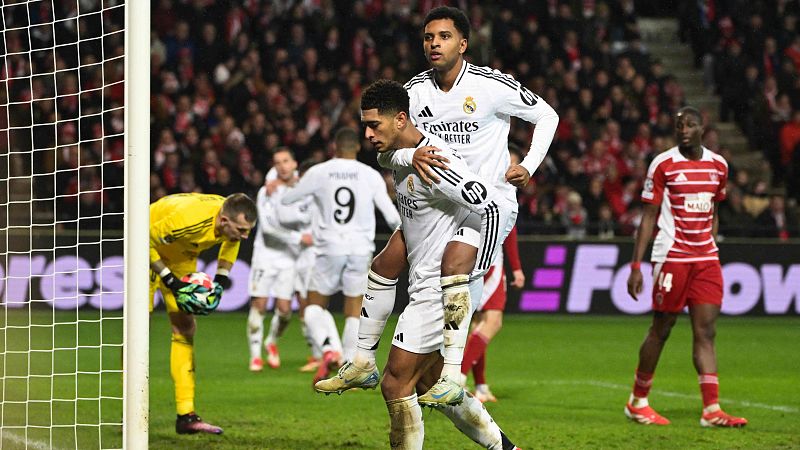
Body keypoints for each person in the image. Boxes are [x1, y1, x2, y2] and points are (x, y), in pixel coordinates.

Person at [315, 5, 557, 407]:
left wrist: (529, 166)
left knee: (455, 267)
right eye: (428, 37)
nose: (434, 44)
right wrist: (411, 158)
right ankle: (361, 360)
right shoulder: (414, 92)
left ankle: (451, 374)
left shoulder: (491, 86)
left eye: (444, 37)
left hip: (487, 202)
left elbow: (548, 115)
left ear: (462, 44)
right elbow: (386, 153)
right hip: (439, 202)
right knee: (386, 261)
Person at [354, 78, 521, 448]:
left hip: (438, 289)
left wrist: (475, 269)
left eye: (373, 125)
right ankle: (505, 448)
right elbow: (387, 156)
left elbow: (490, 206)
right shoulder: (404, 155)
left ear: (400, 119)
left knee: (396, 382)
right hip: (424, 282)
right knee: (425, 382)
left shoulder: (438, 161)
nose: (366, 133)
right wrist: (406, 155)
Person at [625, 106, 747, 428]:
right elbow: (648, 216)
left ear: (702, 128)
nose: (683, 129)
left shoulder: (719, 165)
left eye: (690, 124)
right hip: (672, 256)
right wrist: (637, 265)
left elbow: (714, 210)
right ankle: (637, 401)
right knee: (662, 328)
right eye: (679, 125)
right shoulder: (663, 164)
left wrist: (711, 244)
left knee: (706, 332)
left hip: (706, 259)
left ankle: (711, 410)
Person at [281, 127, 402, 384]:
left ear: (334, 148)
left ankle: (327, 349)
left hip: (328, 247)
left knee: (314, 304)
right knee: (354, 308)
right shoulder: (369, 175)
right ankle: (350, 364)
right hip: (360, 249)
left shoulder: (319, 172)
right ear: (357, 148)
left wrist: (290, 187)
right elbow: (391, 216)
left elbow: (289, 199)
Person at [150, 192, 257, 435]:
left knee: (185, 329)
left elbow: (231, 244)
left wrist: (220, 281)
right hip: (147, 248)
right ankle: (132, 407)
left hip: (181, 256)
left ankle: (186, 415)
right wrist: (171, 281)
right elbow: (140, 239)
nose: (245, 235)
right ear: (223, 221)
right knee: (137, 330)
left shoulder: (230, 218)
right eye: (241, 229)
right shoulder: (188, 219)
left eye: (248, 230)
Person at [246, 148, 313, 371]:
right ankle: (255, 356)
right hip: (265, 254)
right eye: (277, 163)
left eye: (286, 161)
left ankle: (271, 342)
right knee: (260, 305)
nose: (282, 165)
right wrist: (298, 237)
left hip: (289, 257)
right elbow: (267, 229)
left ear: (294, 164)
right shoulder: (266, 192)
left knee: (285, 311)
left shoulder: (302, 190)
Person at [460, 225, 524, 403]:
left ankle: (481, 387)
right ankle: (458, 377)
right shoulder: (502, 196)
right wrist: (517, 268)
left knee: (479, 326)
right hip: (491, 261)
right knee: (492, 323)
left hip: (470, 258)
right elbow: (509, 228)